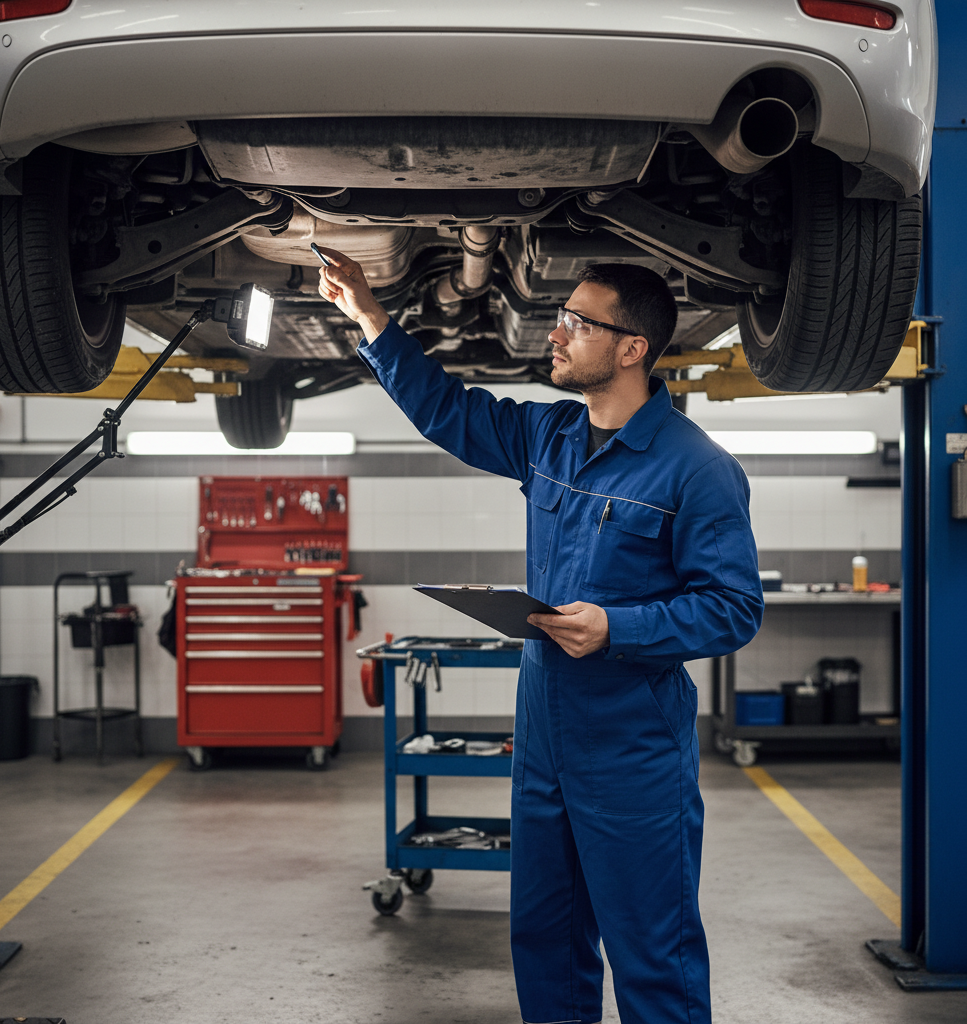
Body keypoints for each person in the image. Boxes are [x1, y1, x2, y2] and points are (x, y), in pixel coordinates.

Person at [318, 247, 763, 1024]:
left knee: (652, 955)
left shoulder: (697, 469)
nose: (554, 335)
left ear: (631, 348)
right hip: (545, 741)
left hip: (633, 754)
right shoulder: (550, 437)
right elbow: (448, 411)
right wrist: (371, 317)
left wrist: (617, 628)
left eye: (577, 322)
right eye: (560, 318)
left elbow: (732, 608)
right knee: (546, 942)